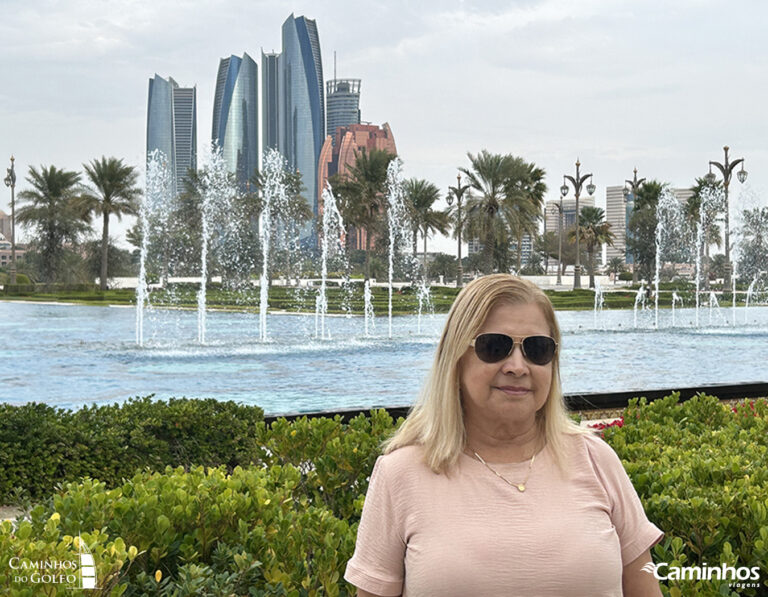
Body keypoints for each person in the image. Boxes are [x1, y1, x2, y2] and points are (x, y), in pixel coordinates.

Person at [344, 274, 664, 597]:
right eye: (495, 347)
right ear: (456, 357)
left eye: (537, 349)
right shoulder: (400, 474)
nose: (517, 366)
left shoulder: (596, 460)